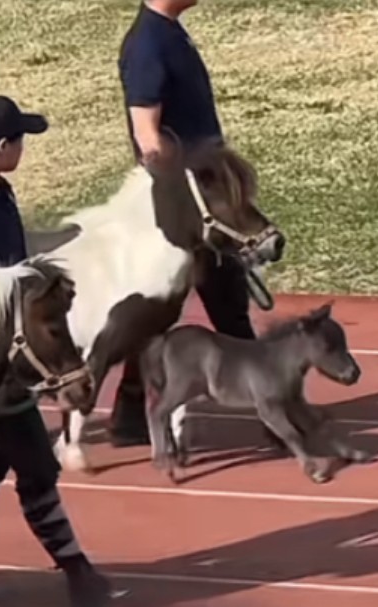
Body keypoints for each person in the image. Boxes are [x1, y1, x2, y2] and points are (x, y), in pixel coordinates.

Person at [0, 94, 111, 606]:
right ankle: (79, 572)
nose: (25, 148)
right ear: (2, 146)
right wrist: (17, 292)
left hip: (10, 359)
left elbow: (14, 255)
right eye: (22, 139)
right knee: (35, 466)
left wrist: (58, 253)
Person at [110, 0, 257, 447]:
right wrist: (185, 199)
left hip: (202, 201)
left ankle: (129, 412)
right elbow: (147, 134)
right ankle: (276, 403)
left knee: (161, 313)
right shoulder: (148, 44)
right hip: (191, 211)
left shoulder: (168, 33)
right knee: (225, 304)